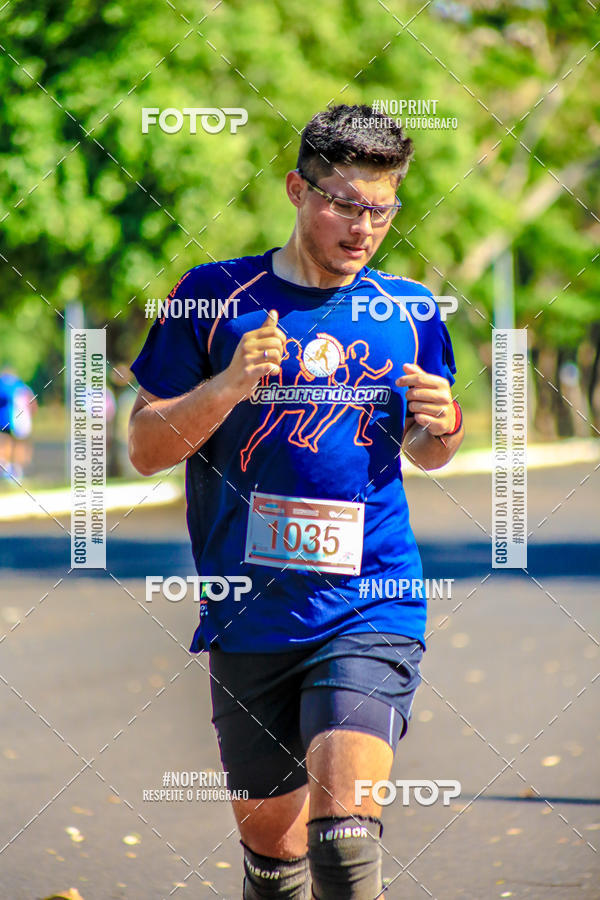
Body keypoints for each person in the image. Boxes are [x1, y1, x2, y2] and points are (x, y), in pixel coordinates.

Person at [129, 103, 464, 899]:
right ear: (296, 188)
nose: (363, 227)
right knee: (274, 863)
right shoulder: (213, 297)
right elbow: (145, 450)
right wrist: (228, 386)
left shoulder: (410, 311)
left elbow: (430, 450)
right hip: (251, 614)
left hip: (371, 601)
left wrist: (443, 426)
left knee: (345, 843)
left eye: (381, 209)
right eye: (344, 204)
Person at [0, 368, 37, 481]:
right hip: (17, 421)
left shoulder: (9, 387)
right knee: (14, 444)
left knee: (10, 444)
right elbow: (34, 405)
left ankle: (11, 469)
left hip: (13, 421)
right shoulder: (23, 387)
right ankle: (12, 469)